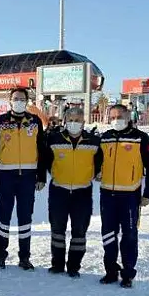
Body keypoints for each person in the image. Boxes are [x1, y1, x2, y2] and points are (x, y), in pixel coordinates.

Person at [98, 104, 149, 288]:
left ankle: (127, 273)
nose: (116, 120)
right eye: (113, 116)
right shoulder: (105, 137)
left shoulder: (140, 138)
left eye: (120, 116)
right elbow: (94, 161)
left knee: (130, 235)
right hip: (107, 194)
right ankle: (110, 271)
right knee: (108, 234)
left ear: (127, 116)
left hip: (130, 197)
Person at [0, 87, 47, 271]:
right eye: (16, 98)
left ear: (27, 101)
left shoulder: (35, 121)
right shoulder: (0, 121)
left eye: (22, 99)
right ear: (10, 100)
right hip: (5, 176)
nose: (19, 101)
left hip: (28, 178)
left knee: (25, 217)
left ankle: (24, 257)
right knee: (3, 217)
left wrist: (41, 176)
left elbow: (42, 150)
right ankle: (1, 255)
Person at [45, 107, 102, 278]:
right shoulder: (53, 139)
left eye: (78, 120)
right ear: (65, 121)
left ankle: (74, 266)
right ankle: (57, 264)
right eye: (71, 119)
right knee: (57, 228)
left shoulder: (93, 141)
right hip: (58, 191)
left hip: (82, 192)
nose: (74, 123)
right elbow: (46, 161)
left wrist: (97, 173)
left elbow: (99, 162)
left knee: (79, 230)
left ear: (84, 122)